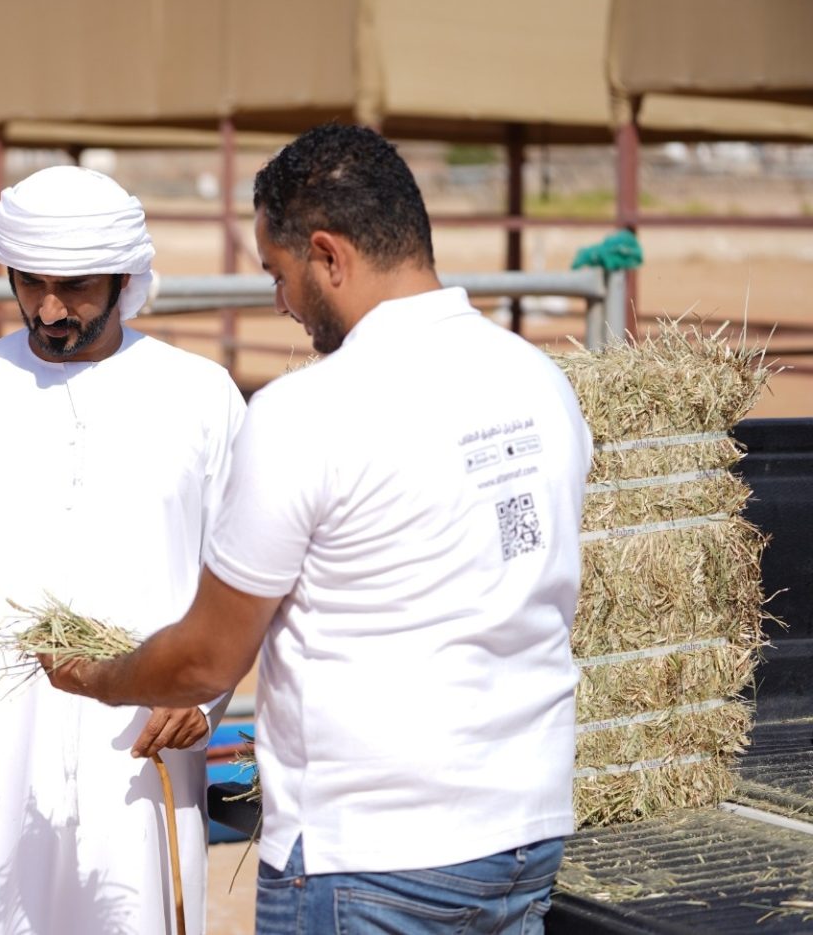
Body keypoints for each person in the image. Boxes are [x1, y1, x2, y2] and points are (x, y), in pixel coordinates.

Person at [43, 125, 594, 934]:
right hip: (523, 838)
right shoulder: (540, 382)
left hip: (372, 857)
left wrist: (101, 676)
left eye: (280, 272)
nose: (280, 302)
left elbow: (204, 657)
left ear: (329, 255)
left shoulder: (307, 413)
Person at [0, 165, 246, 934]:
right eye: (28, 281)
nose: (48, 307)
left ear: (123, 277)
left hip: (138, 747)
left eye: (74, 287)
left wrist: (198, 698)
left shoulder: (201, 397)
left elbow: (240, 578)